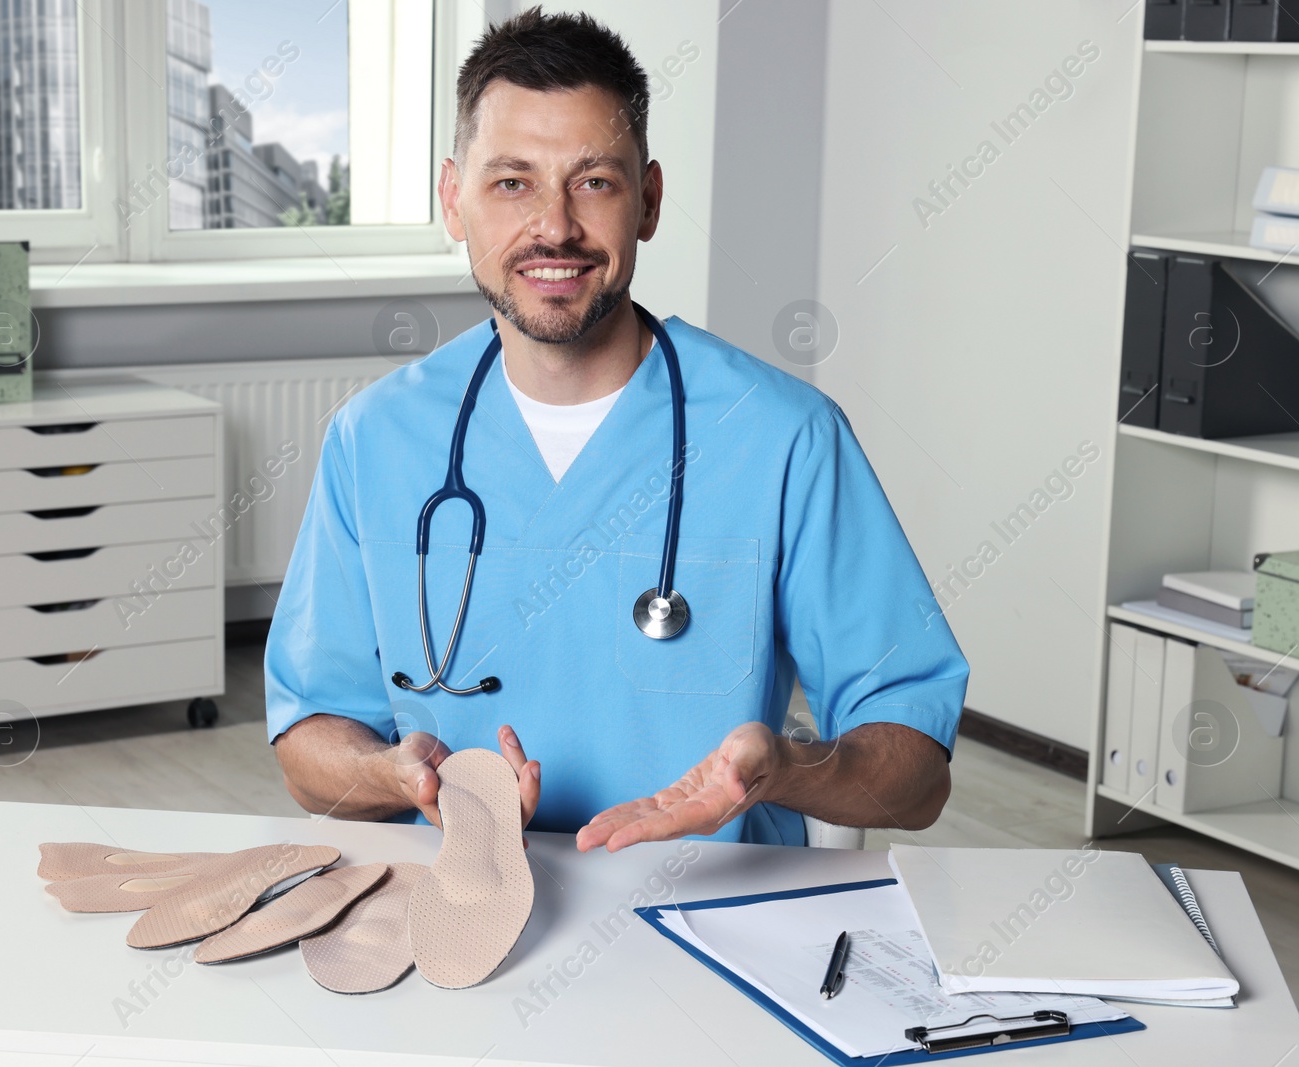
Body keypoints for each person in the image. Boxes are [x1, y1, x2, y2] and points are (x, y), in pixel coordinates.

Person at [266, 8, 968, 852]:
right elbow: (311, 736)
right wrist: (391, 774)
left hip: (710, 927)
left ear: (650, 200)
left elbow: (918, 773)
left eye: (594, 180)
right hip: (463, 908)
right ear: (455, 201)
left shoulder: (784, 439)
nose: (554, 227)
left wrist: (787, 769)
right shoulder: (372, 440)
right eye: (512, 182)